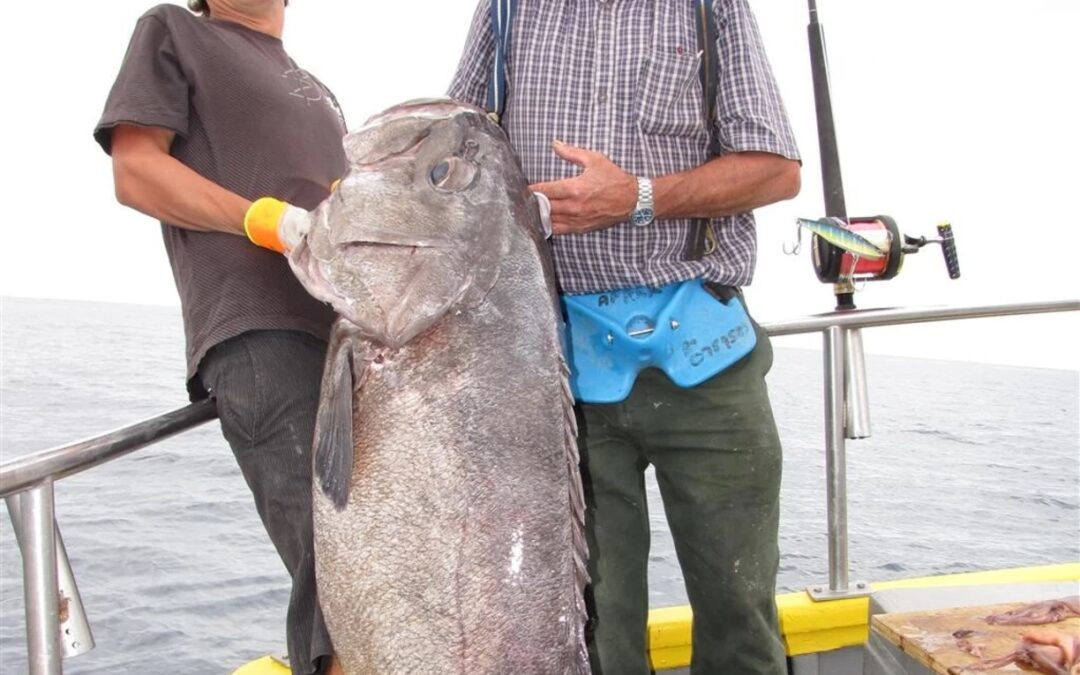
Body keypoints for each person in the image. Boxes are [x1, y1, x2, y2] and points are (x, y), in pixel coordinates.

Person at [449, 2, 801, 673]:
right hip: (557, 379)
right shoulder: (506, 9)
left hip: (708, 362)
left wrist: (636, 196)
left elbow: (777, 170)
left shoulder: (711, 8)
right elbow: (448, 143)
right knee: (588, 633)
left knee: (739, 614)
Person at [94, 1, 346, 672]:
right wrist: (263, 220)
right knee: (339, 574)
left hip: (354, 343)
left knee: (390, 563)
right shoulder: (175, 30)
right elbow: (136, 170)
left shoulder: (316, 87)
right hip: (259, 325)